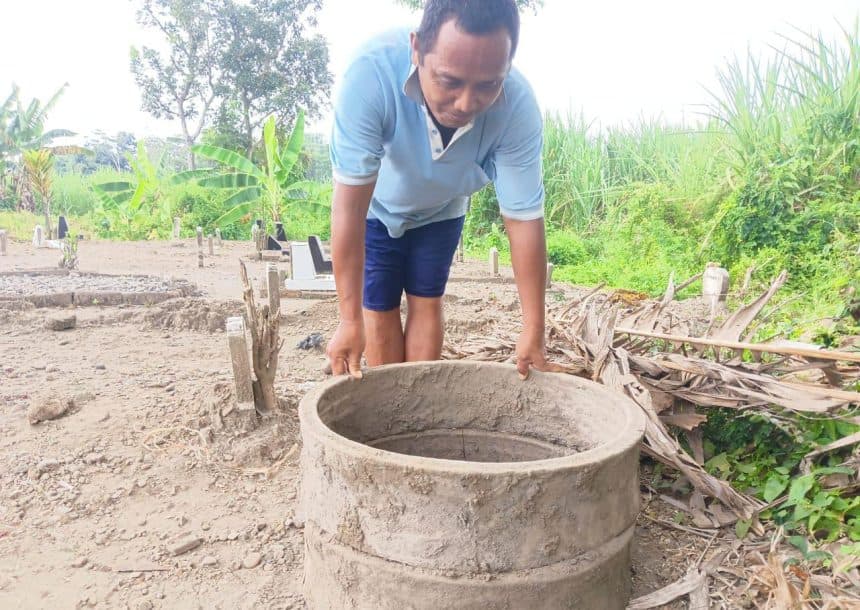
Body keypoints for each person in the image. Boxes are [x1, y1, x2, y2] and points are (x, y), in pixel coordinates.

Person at [326, 0, 548, 380]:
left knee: (427, 299)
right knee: (377, 305)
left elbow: (524, 218)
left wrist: (534, 329)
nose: (465, 103)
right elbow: (348, 209)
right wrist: (348, 320)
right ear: (417, 49)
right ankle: (390, 410)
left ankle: (420, 402)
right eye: (449, 81)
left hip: (444, 209)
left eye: (488, 85)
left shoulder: (518, 108)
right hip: (379, 208)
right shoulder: (371, 76)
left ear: (506, 67)